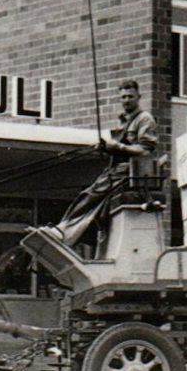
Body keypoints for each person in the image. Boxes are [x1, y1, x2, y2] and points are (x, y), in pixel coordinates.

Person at [52, 79, 159, 249]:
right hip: (117, 169)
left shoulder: (144, 119)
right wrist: (107, 148)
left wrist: (118, 146)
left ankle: (62, 232)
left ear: (139, 96)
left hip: (130, 171)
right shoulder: (124, 121)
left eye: (130, 96)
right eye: (123, 97)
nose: (126, 100)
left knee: (90, 195)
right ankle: (68, 234)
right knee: (98, 209)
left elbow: (146, 150)